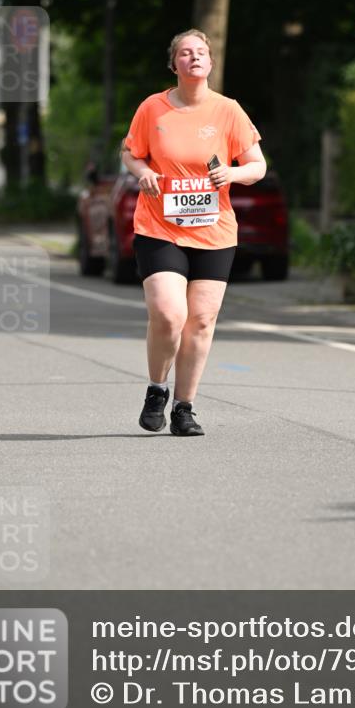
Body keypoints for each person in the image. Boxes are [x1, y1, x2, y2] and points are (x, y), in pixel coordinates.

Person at [121, 29, 266, 437]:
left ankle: (184, 408)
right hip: (159, 226)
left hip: (214, 232)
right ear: (175, 64)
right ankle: (156, 389)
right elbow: (130, 153)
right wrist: (144, 171)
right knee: (169, 314)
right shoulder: (153, 109)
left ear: (211, 62)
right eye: (185, 53)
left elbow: (258, 166)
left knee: (200, 321)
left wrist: (231, 172)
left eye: (201, 52)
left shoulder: (228, 110)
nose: (194, 58)